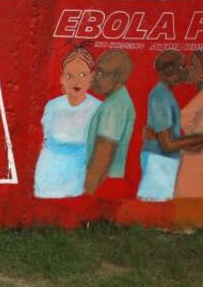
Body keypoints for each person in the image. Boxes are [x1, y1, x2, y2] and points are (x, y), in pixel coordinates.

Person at [34, 46, 101, 198]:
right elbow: (46, 137)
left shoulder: (98, 109)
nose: (76, 81)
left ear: (91, 77)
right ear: (62, 79)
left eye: (83, 75)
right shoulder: (53, 106)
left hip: (80, 177)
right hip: (48, 174)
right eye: (69, 76)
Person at [137, 50, 203, 201]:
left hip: (173, 161)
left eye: (191, 66)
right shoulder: (161, 96)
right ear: (168, 70)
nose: (186, 70)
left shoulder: (166, 95)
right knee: (157, 205)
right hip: (161, 161)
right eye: (183, 67)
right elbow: (168, 144)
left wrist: (158, 137)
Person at [84, 49, 136, 197]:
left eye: (101, 73)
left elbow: (101, 161)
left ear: (116, 78)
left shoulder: (114, 107)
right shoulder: (120, 100)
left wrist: (85, 197)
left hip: (103, 186)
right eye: (96, 71)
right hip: (108, 183)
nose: (94, 77)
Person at [174, 51, 203, 197]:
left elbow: (199, 140)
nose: (187, 69)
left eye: (193, 66)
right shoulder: (198, 96)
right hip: (190, 162)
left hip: (197, 166)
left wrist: (168, 142)